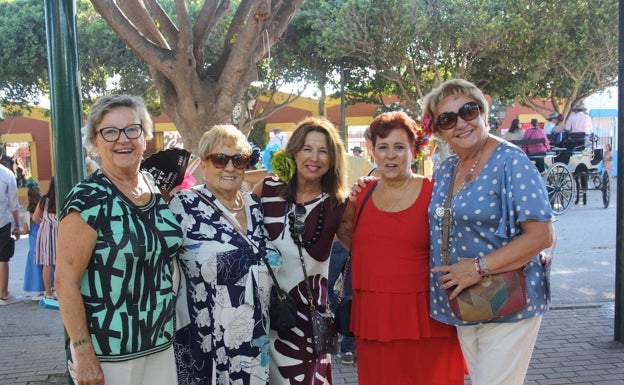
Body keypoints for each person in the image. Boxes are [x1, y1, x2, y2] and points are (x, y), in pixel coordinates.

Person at [421, 79, 554, 385]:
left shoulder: (511, 161)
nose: (461, 123)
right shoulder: (446, 168)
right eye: (447, 119)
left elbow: (541, 236)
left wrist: (478, 268)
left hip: (508, 298)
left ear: (482, 112)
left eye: (468, 111)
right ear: (439, 130)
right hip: (464, 303)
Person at [55, 94, 183, 385]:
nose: (123, 139)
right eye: (110, 131)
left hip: (161, 343)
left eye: (132, 130)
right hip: (109, 354)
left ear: (145, 137)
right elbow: (65, 282)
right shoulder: (88, 199)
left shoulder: (151, 185)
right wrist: (83, 353)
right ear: (96, 141)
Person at [349, 111, 465, 385]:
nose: (391, 155)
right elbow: (349, 239)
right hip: (374, 321)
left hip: (427, 321)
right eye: (383, 147)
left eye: (399, 147)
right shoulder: (360, 195)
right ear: (372, 152)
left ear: (415, 150)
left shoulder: (435, 193)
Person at [168, 124, 279, 385]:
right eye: (219, 159)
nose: (229, 167)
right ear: (203, 165)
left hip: (255, 341)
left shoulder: (255, 206)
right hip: (205, 344)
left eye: (238, 160)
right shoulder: (184, 205)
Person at [252, 116, 350, 385]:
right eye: (307, 148)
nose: (314, 158)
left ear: (332, 159)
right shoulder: (266, 189)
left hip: (306, 326)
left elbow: (364, 250)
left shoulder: (338, 205)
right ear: (294, 151)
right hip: (259, 319)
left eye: (323, 151)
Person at [0, 145, 21, 306]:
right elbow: (14, 204)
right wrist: (17, 225)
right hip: (2, 221)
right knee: (3, 258)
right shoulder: (7, 174)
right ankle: (3, 293)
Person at [33, 176, 58, 299]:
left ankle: (48, 293)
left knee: (47, 264)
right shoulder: (63, 198)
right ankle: (59, 291)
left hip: (46, 232)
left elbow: (35, 218)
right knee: (60, 263)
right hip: (59, 231)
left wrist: (44, 223)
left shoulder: (44, 199)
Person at [22, 179, 45, 299]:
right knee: (46, 263)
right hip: (44, 240)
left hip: (33, 242)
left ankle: (38, 290)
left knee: (35, 264)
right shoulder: (44, 210)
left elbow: (25, 231)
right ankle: (49, 287)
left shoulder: (28, 214)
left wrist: (16, 232)